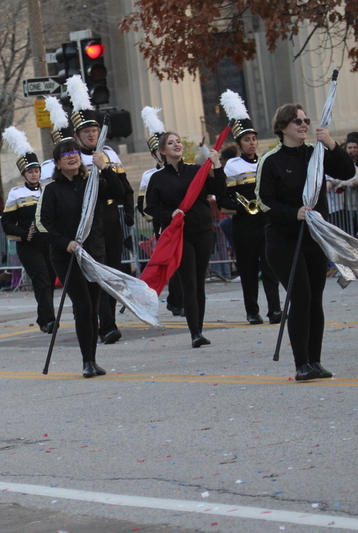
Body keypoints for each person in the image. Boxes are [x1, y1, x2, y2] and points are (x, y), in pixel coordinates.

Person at [256, 103, 354, 380]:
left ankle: (315, 360)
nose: (304, 125)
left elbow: (347, 172)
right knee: (300, 297)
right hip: (283, 239)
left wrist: (332, 144)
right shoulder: (271, 160)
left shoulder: (316, 154)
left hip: (314, 238)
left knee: (315, 300)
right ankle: (302, 364)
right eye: (297, 121)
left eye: (306, 120)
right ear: (283, 127)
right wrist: (294, 213)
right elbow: (264, 201)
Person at [66, 78, 134, 344]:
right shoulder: (72, 157)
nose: (91, 134)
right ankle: (103, 323)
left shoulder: (109, 155)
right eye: (86, 132)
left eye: (94, 130)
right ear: (77, 135)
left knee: (112, 270)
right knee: (95, 273)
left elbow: (123, 188)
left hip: (109, 218)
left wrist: (127, 211)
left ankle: (109, 322)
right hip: (87, 221)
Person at [145, 132, 226, 348]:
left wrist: (217, 166)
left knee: (199, 282)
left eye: (178, 142)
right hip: (180, 235)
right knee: (189, 282)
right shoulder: (158, 178)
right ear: (162, 151)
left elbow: (219, 191)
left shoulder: (195, 171)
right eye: (170, 143)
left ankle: (198, 328)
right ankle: (195, 333)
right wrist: (169, 214)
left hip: (203, 230)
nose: (176, 145)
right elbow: (150, 207)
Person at [36, 139, 109, 378]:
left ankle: (94, 359)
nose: (72, 156)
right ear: (57, 163)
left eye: (75, 152)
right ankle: (86, 361)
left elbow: (118, 192)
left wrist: (105, 167)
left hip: (93, 253)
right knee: (83, 306)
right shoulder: (52, 190)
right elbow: (42, 224)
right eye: (65, 154)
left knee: (94, 307)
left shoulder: (92, 183)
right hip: (66, 256)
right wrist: (64, 242)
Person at [218, 116, 281, 325]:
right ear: (239, 144)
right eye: (247, 139)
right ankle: (252, 311)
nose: (252, 142)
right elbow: (223, 199)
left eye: (254, 138)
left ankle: (275, 310)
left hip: (266, 223)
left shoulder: (265, 162)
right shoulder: (232, 167)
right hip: (244, 225)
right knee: (248, 269)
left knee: (271, 267)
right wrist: (242, 207)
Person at [1, 126, 56, 334]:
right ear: (24, 173)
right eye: (31, 171)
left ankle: (44, 317)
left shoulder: (48, 190)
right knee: (41, 279)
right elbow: (6, 222)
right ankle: (49, 319)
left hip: (48, 243)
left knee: (49, 280)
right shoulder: (16, 194)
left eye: (37, 170)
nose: (34, 174)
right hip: (29, 244)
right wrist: (24, 234)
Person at [138, 106, 184, 317]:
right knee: (170, 262)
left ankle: (179, 299)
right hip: (163, 224)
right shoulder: (150, 176)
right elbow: (143, 205)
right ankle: (175, 299)